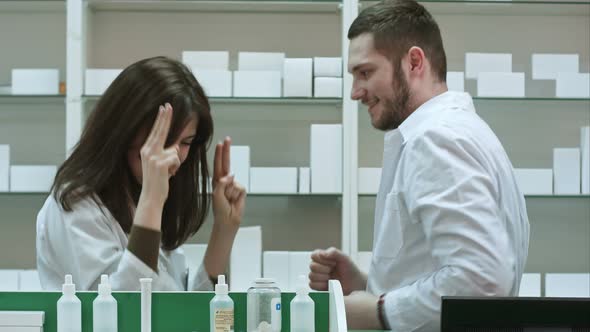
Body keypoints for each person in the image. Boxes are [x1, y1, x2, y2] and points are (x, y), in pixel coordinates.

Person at [309, 0, 530, 330]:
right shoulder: (459, 131)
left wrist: (379, 311)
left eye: (365, 72)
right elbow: (448, 269)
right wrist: (365, 283)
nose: (356, 92)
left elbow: (483, 281)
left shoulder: (437, 140)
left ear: (414, 62)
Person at [36, 56, 246, 291]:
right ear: (124, 130)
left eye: (186, 142)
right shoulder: (76, 205)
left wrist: (223, 232)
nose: (174, 156)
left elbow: (178, 312)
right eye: (163, 139)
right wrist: (152, 201)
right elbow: (125, 311)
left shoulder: (140, 197)